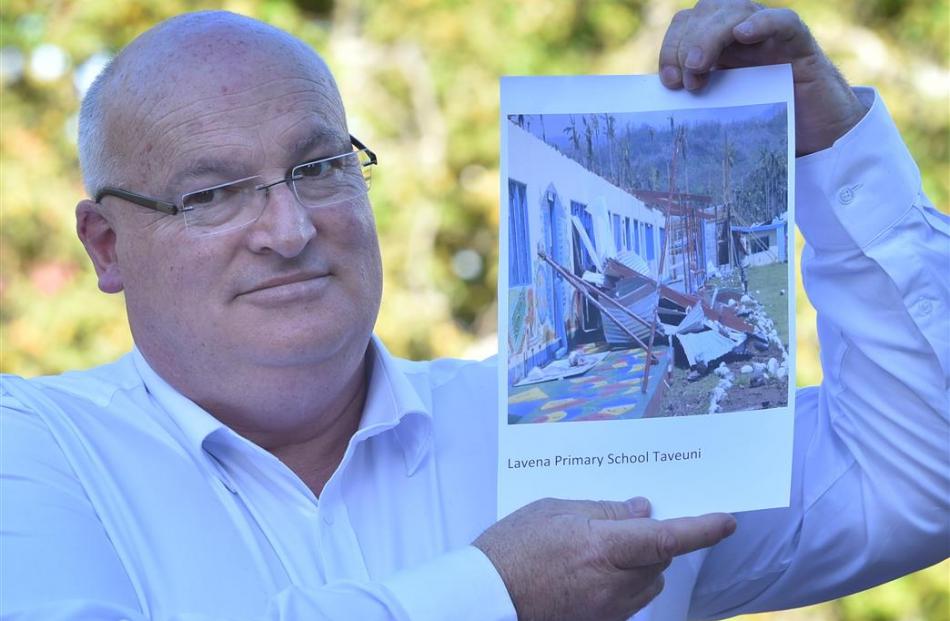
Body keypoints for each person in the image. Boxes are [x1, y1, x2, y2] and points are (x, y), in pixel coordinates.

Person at [1, 1, 946, 619]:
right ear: (106, 247)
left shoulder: (571, 424)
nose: (288, 229)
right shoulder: (36, 446)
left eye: (320, 168)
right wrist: (495, 593)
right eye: (212, 193)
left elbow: (916, 477)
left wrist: (833, 146)